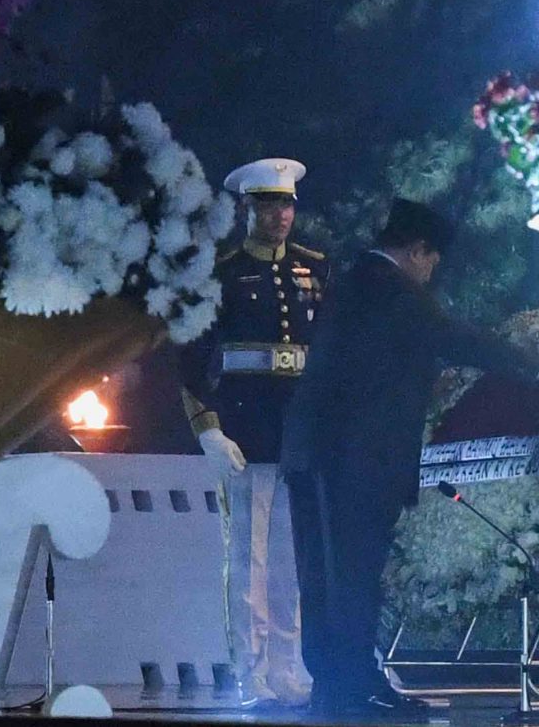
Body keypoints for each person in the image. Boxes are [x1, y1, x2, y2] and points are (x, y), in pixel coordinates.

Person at [281, 198, 539, 720]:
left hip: (325, 458)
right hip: (353, 462)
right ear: (417, 250)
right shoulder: (390, 288)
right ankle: (354, 691)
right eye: (432, 259)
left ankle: (338, 686)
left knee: (327, 580)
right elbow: (457, 338)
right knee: (351, 579)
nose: (432, 270)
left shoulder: (357, 283)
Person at [181, 158, 327, 708]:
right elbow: (192, 360)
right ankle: (250, 670)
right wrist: (208, 429)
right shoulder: (223, 273)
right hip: (245, 431)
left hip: (298, 434)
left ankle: (287, 666)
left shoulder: (314, 269)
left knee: (291, 560)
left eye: (286, 204)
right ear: (247, 208)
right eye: (269, 205)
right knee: (248, 560)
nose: (280, 215)